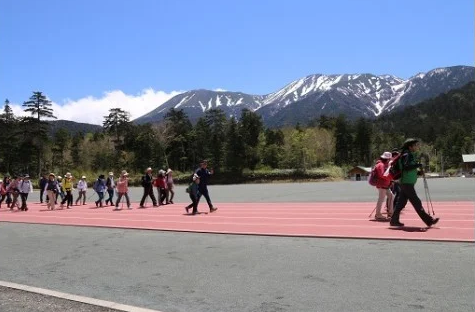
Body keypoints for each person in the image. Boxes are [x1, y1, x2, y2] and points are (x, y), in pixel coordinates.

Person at [390, 139, 439, 227]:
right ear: (410, 147)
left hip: (406, 182)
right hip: (406, 182)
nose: (417, 147)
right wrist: (418, 165)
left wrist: (418, 172)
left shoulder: (408, 155)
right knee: (416, 202)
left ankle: (394, 220)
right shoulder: (407, 155)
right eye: (415, 145)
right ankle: (429, 221)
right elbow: (406, 167)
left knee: (401, 203)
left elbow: (409, 169)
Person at [372, 152, 394, 220]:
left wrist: (390, 180)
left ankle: (390, 213)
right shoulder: (380, 165)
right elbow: (382, 175)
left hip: (384, 184)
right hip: (381, 184)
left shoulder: (383, 164)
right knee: (381, 199)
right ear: (387, 159)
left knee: (391, 196)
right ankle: (378, 214)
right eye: (389, 159)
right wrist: (390, 178)